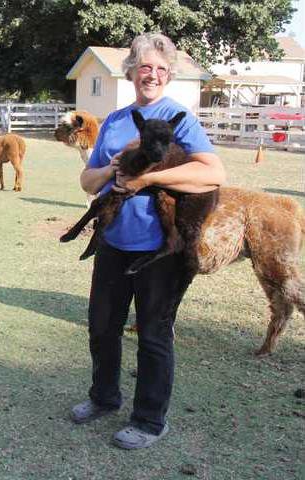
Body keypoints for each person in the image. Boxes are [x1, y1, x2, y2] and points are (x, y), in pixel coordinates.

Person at [70, 32, 226, 449]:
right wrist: (110, 171)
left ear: (169, 75)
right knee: (102, 326)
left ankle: (149, 420)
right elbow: (88, 181)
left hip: (160, 248)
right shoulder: (118, 121)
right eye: (144, 67)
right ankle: (103, 398)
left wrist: (150, 178)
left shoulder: (180, 120)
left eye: (160, 69)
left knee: (153, 333)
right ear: (132, 73)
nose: (151, 75)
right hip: (114, 242)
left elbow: (213, 173)